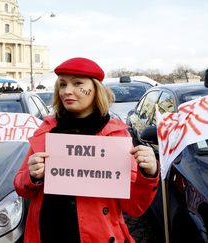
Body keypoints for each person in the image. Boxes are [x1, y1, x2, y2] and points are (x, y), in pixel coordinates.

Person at [14, 57, 159, 242]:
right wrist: (32, 176)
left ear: (96, 89)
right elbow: (21, 187)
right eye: (63, 84)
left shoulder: (116, 136)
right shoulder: (47, 130)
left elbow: (134, 208)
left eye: (77, 84)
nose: (67, 91)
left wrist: (148, 174)